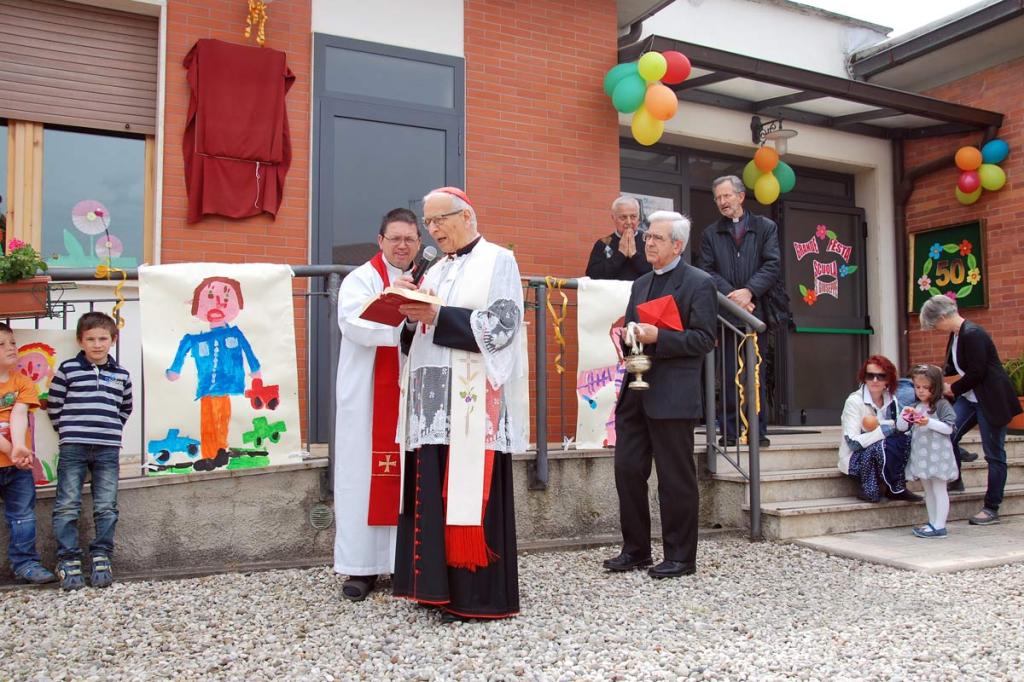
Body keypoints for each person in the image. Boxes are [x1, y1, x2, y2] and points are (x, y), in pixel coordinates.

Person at [391, 187, 526, 622]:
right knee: (432, 489)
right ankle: (433, 590)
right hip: (432, 400)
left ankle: (474, 597)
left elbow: (504, 326)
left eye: (438, 221)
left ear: (466, 215)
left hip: (470, 401)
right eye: (427, 223)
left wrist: (437, 317)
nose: (432, 231)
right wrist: (409, 317)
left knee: (465, 494)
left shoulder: (498, 260)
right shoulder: (432, 268)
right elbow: (418, 333)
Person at [603, 211, 718, 579]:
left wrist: (660, 338)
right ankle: (635, 550)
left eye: (656, 238)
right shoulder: (639, 284)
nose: (648, 242)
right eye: (647, 236)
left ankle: (681, 557)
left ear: (678, 245)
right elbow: (630, 326)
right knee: (627, 471)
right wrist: (629, 335)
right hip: (636, 391)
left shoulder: (699, 283)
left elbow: (704, 339)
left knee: (674, 478)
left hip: (672, 394)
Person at [333, 208, 421, 601]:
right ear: (380, 241)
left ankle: (407, 564)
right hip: (369, 394)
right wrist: (396, 308)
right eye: (395, 238)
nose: (403, 246)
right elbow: (353, 324)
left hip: (411, 390)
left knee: (412, 476)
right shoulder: (360, 279)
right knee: (360, 477)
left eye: (410, 239)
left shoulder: (427, 279)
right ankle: (361, 568)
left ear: (419, 243)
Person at [47, 312, 133, 590]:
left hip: (107, 448)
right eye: (91, 339)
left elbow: (125, 408)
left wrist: (109, 430)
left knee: (106, 506)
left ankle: (101, 555)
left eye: (103, 339)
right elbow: (54, 405)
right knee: (67, 504)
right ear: (80, 341)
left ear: (113, 340)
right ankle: (68, 558)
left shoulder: (121, 375)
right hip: (74, 447)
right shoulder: (69, 369)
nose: (97, 344)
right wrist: (70, 431)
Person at [920, 294, 1022, 525]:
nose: (936, 329)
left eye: (935, 324)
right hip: (970, 398)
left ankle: (991, 507)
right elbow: (951, 367)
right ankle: (955, 478)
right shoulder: (955, 335)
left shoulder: (974, 334)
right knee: (947, 434)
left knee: (994, 455)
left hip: (990, 400)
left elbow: (978, 372)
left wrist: (951, 388)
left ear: (945, 316)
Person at [697, 175, 781, 447]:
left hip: (756, 312)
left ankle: (757, 431)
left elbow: (772, 265)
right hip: (727, 316)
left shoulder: (765, 227)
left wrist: (749, 292)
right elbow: (707, 270)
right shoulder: (710, 233)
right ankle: (731, 431)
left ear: (741, 197)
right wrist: (734, 297)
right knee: (729, 374)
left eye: (727, 196)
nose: (722, 202)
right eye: (718, 198)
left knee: (755, 373)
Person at [166, 276, 261, 471]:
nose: (217, 304)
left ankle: (219, 450)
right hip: (206, 386)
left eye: (226, 299)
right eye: (210, 298)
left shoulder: (234, 333)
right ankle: (211, 455)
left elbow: (248, 350)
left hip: (227, 385)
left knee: (221, 417)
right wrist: (175, 370)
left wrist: (255, 369)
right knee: (208, 420)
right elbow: (183, 348)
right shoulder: (194, 336)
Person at [0, 323, 56, 584]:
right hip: (13, 458)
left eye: (11, 342)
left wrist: (20, 447)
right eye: (1, 345)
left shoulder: (22, 382)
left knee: (23, 515)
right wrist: (13, 450)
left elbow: (19, 414)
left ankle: (25, 563)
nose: (10, 348)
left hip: (17, 466)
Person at [838, 355, 921, 503]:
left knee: (907, 439)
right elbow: (852, 443)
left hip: (884, 451)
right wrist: (883, 431)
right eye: (870, 376)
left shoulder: (891, 399)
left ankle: (896, 488)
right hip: (857, 457)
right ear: (864, 378)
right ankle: (868, 488)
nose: (875, 380)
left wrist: (907, 419)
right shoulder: (854, 402)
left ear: (888, 380)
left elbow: (897, 429)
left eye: (881, 376)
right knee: (883, 444)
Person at [898, 364, 958, 538]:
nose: (921, 391)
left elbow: (949, 428)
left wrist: (928, 422)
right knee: (928, 490)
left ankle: (940, 525)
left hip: (938, 455)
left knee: (939, 488)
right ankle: (932, 523)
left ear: (936, 387)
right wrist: (904, 415)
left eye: (926, 387)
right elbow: (902, 427)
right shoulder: (916, 406)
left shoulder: (941, 405)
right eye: (918, 387)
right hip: (922, 455)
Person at [585, 196, 651, 281]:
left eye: (633, 216)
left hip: (642, 293)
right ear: (613, 218)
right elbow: (592, 275)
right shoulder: (604, 243)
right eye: (623, 217)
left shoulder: (648, 240)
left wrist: (634, 255)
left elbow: (655, 271)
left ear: (638, 217)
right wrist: (620, 255)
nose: (629, 222)